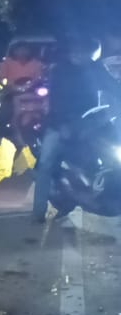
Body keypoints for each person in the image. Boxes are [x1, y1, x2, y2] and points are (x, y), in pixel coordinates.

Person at [31, 35, 121, 223]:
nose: (81, 55)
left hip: (90, 120)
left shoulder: (96, 69)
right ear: (72, 51)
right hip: (59, 123)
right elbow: (56, 101)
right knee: (46, 164)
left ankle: (101, 186)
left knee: (112, 152)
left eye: (86, 52)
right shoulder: (60, 71)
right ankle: (38, 210)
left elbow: (113, 88)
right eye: (78, 51)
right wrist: (63, 123)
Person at [0, 42, 44, 158]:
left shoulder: (36, 63)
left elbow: (39, 78)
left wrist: (33, 85)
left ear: (29, 51)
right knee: (2, 117)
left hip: (31, 94)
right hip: (11, 93)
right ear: (14, 51)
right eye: (19, 50)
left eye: (25, 50)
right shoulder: (7, 63)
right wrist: (7, 86)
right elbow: (1, 78)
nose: (22, 52)